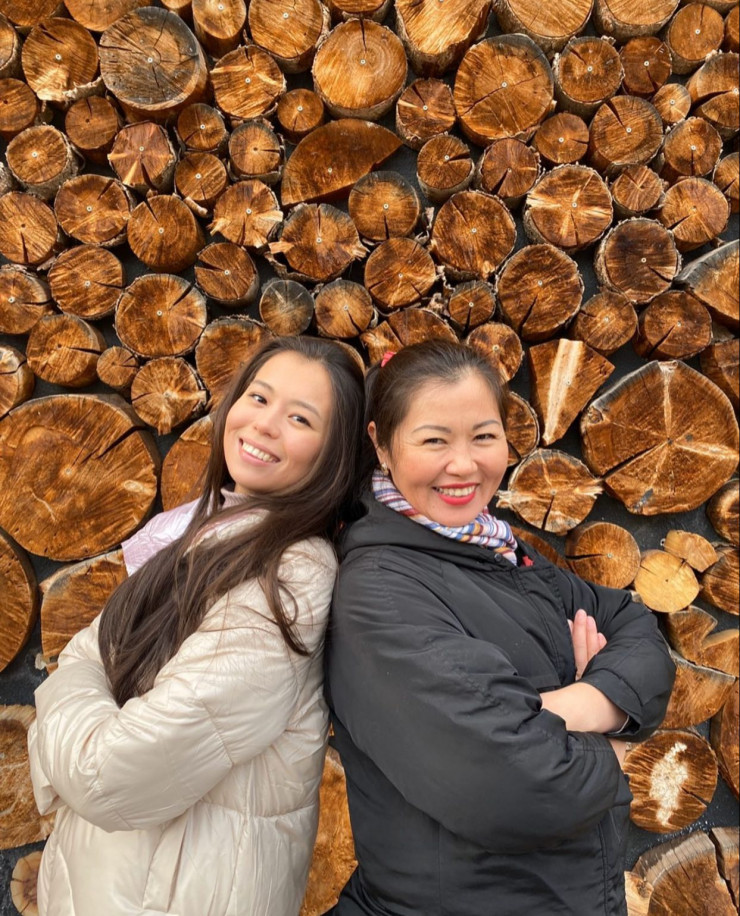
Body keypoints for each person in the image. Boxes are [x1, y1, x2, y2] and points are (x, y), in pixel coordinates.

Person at [325, 340, 675, 916]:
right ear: (381, 445)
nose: (464, 465)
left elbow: (636, 627)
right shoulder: (380, 592)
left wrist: (578, 705)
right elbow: (520, 786)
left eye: (483, 436)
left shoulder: (500, 553)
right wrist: (610, 748)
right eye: (434, 440)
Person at [27, 336, 366, 916]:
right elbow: (89, 652)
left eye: (300, 419)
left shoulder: (291, 574)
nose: (264, 424)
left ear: (333, 455)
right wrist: (82, 678)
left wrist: (64, 697)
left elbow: (110, 774)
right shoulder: (206, 532)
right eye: (259, 397)